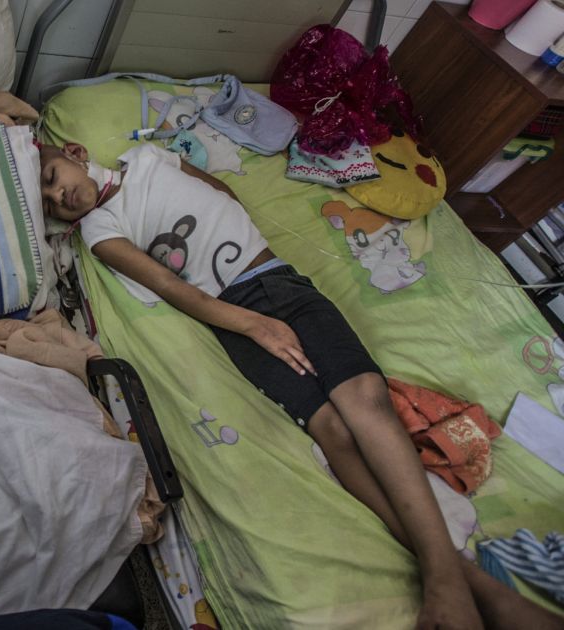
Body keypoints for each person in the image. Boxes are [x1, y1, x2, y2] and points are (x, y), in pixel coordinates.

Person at [38, 140, 564, 630]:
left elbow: (221, 192)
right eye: (50, 202)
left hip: (279, 281)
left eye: (53, 176)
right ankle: (462, 579)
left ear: (77, 154)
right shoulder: (100, 230)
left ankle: (448, 577)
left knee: (366, 399)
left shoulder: (150, 156)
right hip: (235, 315)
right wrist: (253, 326)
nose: (59, 194)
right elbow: (173, 288)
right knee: (334, 430)